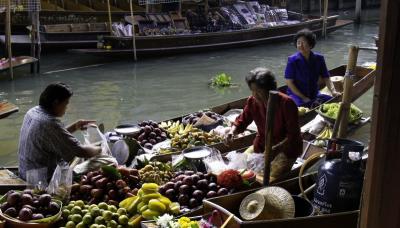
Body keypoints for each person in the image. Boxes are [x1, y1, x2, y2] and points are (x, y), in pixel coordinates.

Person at [225, 67, 302, 181]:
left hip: (286, 149)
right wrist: (232, 131)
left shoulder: (287, 103)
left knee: (269, 179)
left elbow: (293, 135)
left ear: (270, 89)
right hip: (262, 145)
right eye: (253, 91)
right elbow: (242, 121)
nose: (255, 95)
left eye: (259, 91)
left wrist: (276, 149)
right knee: (238, 170)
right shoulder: (252, 101)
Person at [18, 83, 101, 181]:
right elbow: (81, 151)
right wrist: (101, 149)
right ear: (56, 102)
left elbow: (52, 137)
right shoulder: (49, 123)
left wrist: (75, 126)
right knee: (101, 163)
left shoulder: (33, 111)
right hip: (42, 181)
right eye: (66, 103)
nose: (66, 108)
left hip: (25, 172)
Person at [285, 29, 340, 107]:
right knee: (300, 107)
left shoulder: (319, 58)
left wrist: (333, 91)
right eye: (298, 43)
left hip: (314, 93)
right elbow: (289, 82)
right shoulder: (292, 60)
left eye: (303, 42)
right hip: (296, 95)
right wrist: (303, 97)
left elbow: (326, 77)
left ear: (310, 45)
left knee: (332, 101)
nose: (300, 45)